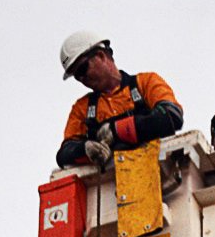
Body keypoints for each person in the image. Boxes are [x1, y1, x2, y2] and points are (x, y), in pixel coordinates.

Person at [56, 31, 183, 169]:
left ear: (101, 56)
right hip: (110, 185)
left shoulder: (145, 83)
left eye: (82, 70)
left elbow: (171, 116)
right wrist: (85, 149)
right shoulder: (82, 109)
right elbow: (64, 153)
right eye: (76, 76)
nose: (81, 79)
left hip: (159, 174)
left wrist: (117, 131)